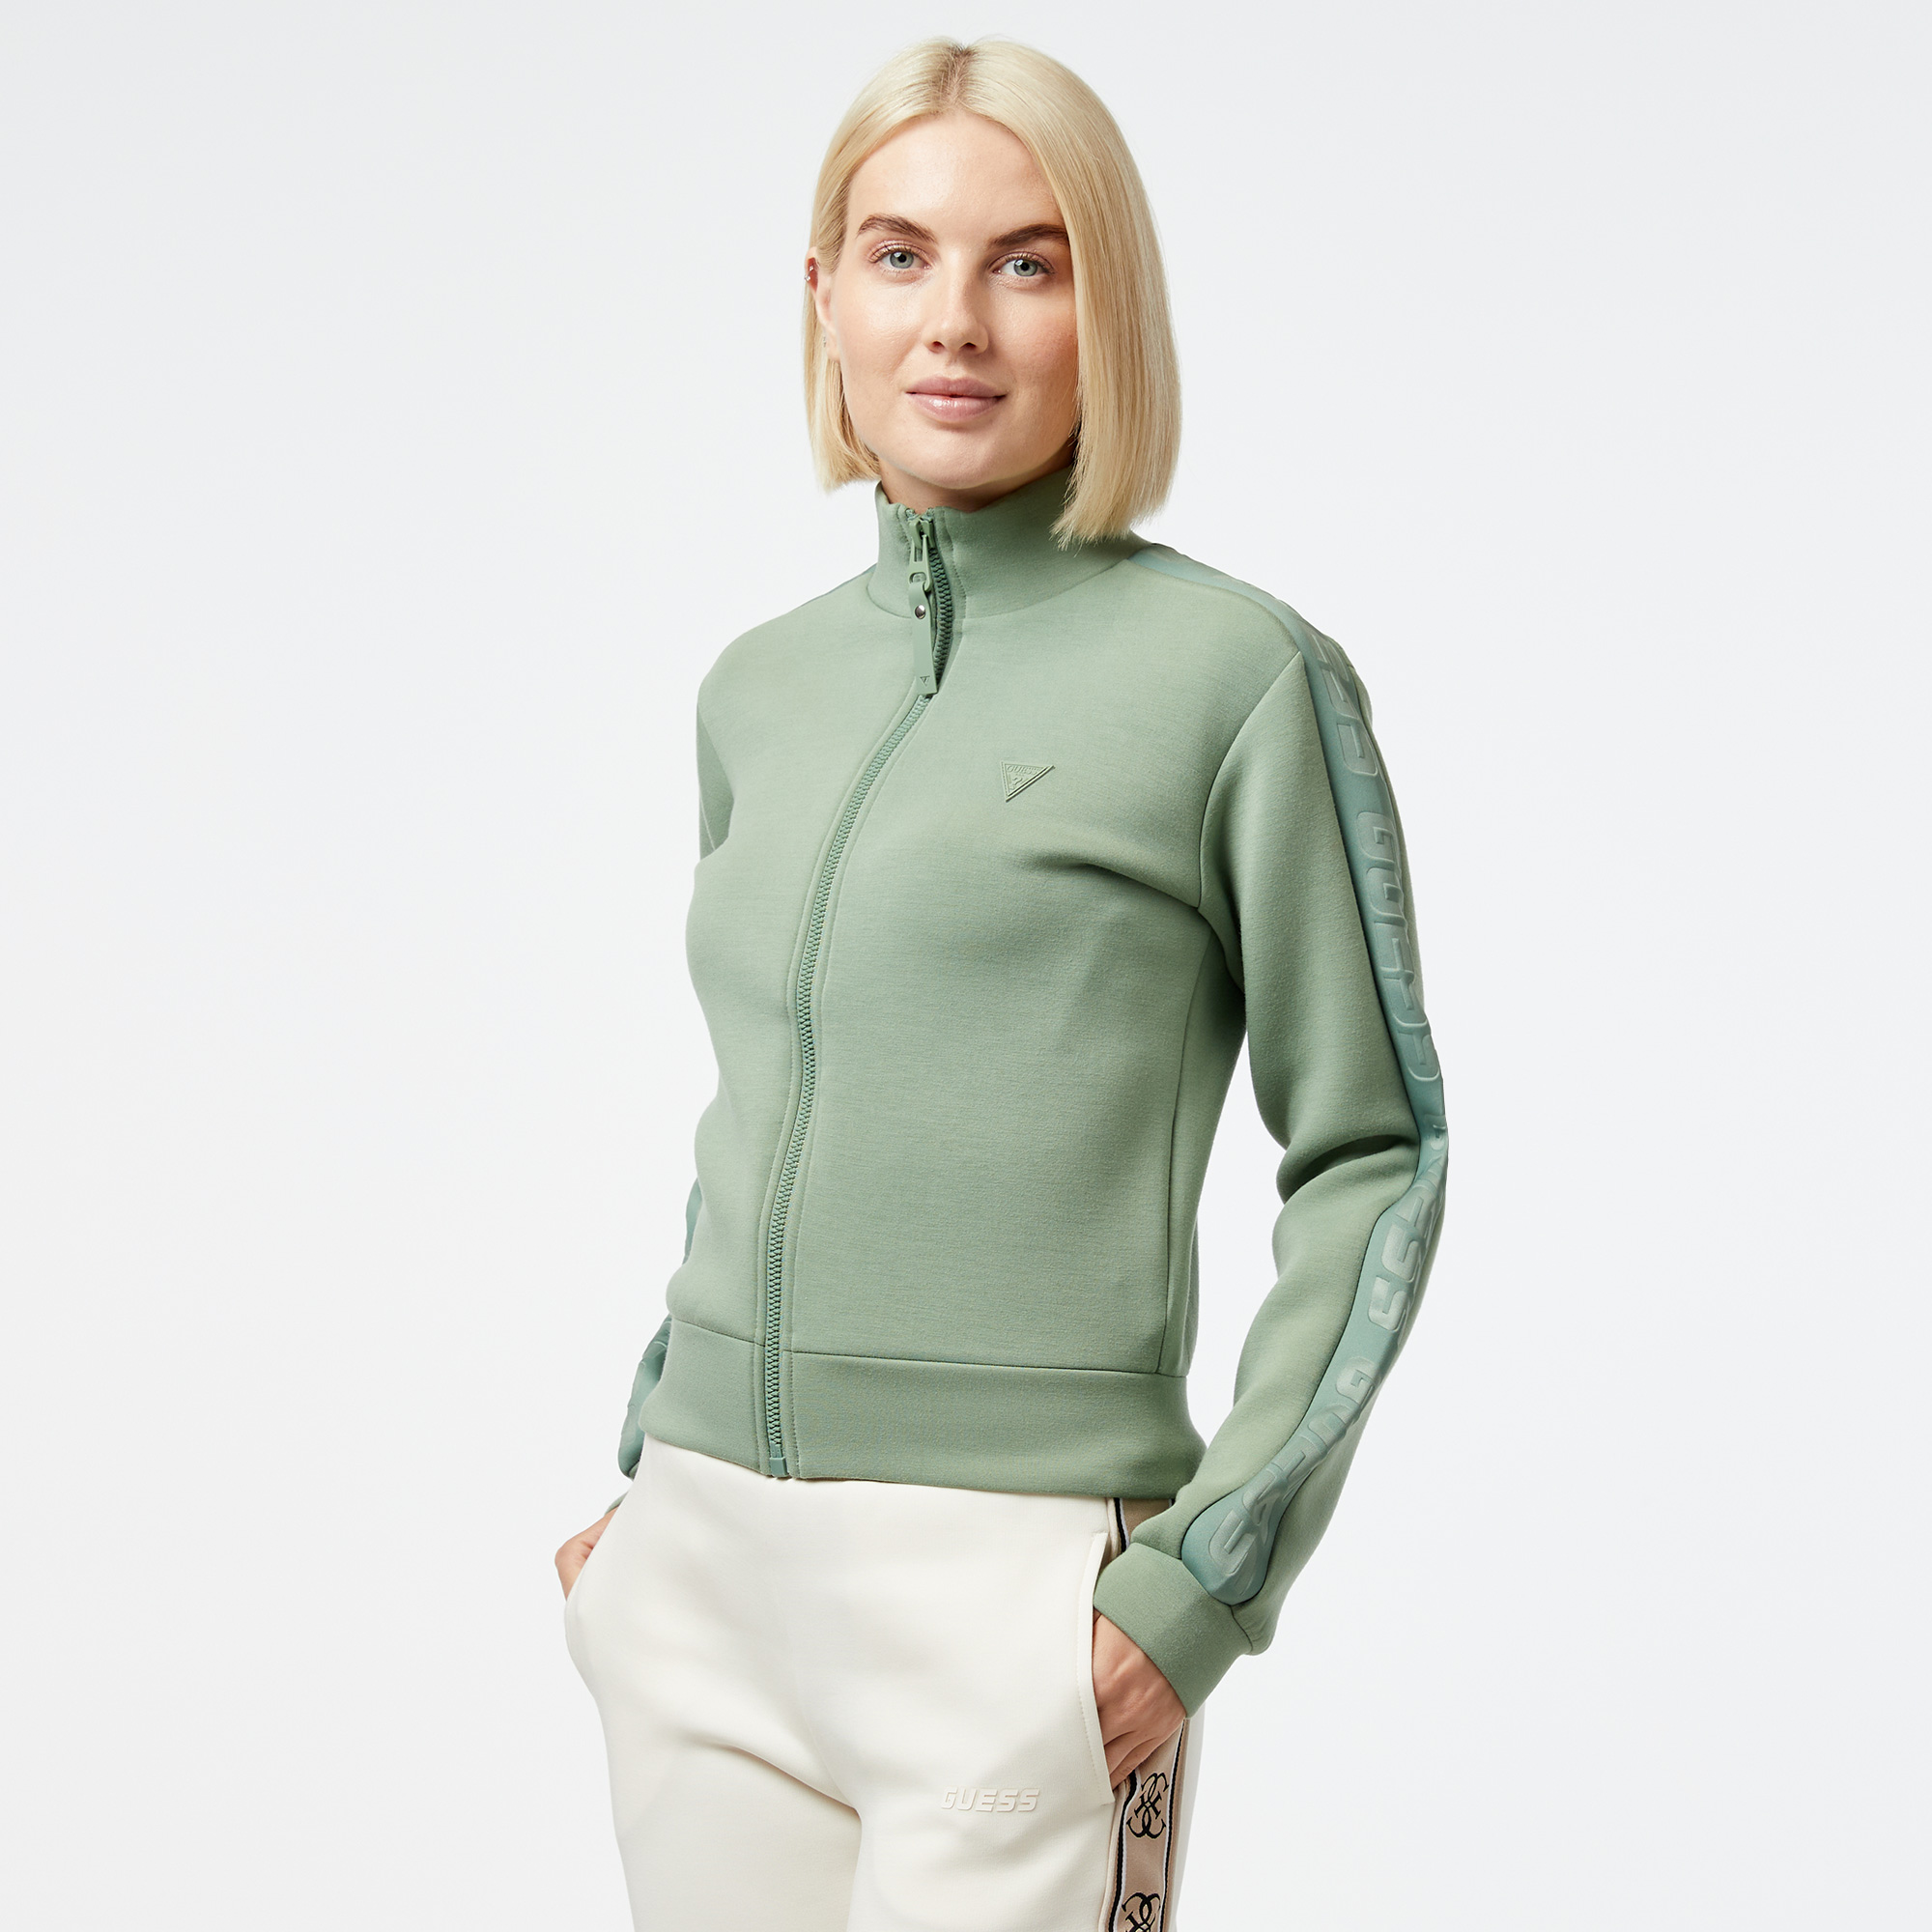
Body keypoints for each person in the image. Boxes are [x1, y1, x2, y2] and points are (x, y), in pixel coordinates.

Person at [554, 35, 1446, 1932]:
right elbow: (768, 1097)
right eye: (900, 255)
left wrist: (1202, 1580)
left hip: (1019, 1591)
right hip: (701, 1581)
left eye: (1026, 262)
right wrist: (648, 1471)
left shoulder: (1239, 681)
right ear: (825, 297)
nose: (954, 319)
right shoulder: (760, 689)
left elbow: (1374, 1155)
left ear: (1106, 308)